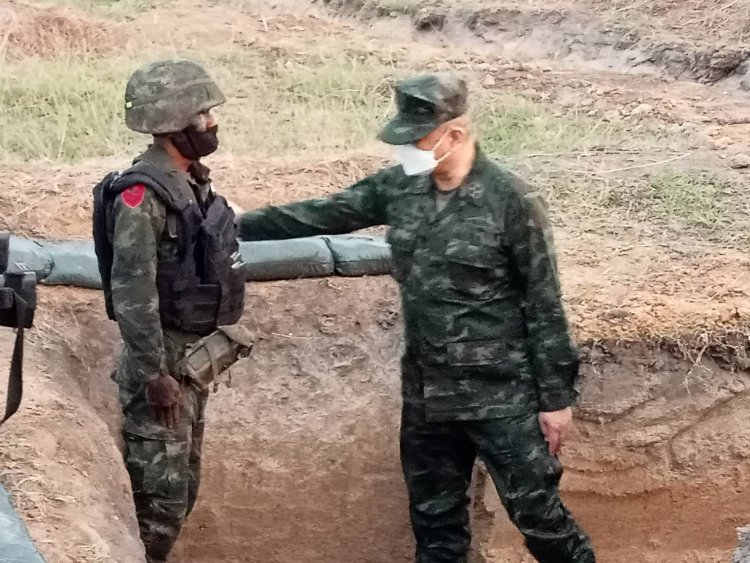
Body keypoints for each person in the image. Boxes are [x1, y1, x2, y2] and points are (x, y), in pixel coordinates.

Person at [238, 73, 595, 562]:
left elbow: (543, 299)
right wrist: (231, 223)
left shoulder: (512, 201)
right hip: (427, 396)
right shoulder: (399, 188)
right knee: (435, 526)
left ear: (455, 134)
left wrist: (555, 400)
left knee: (541, 522)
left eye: (418, 139)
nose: (407, 149)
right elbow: (319, 214)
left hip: (500, 396)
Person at [95, 59, 246, 563]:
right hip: (163, 366)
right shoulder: (141, 196)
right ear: (172, 121)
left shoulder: (191, 182)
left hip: (190, 360)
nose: (211, 122)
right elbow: (133, 291)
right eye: (202, 113)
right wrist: (153, 374)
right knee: (157, 507)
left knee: (183, 490)